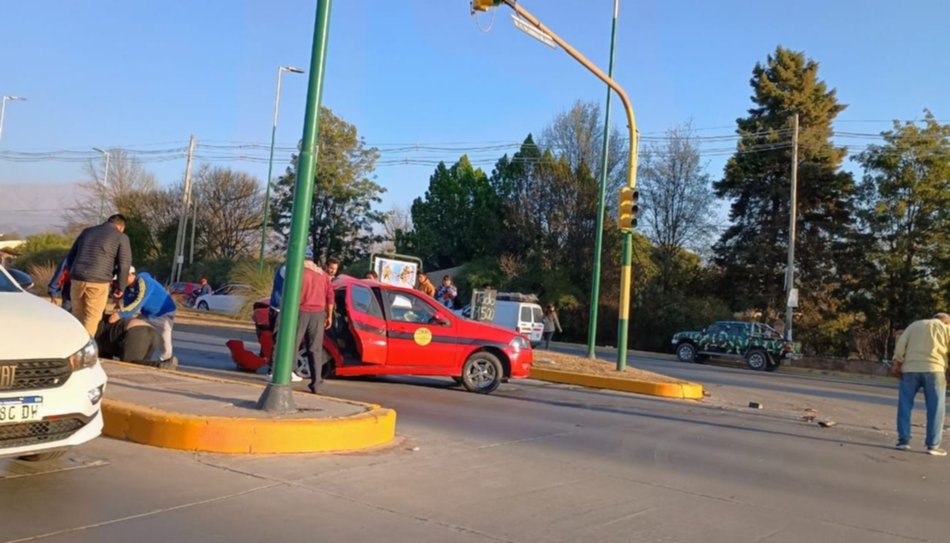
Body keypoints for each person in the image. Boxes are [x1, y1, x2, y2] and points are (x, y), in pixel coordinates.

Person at [271, 248, 334, 394]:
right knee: (315, 348)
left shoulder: (298, 273)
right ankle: (316, 382)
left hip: (301, 311)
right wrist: (329, 315)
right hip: (318, 314)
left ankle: (286, 376)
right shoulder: (323, 275)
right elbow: (330, 296)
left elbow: (290, 293)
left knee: (292, 344)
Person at [64, 214, 132, 335]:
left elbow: (71, 256)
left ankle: (72, 346)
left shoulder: (87, 232)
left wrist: (72, 273)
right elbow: (125, 263)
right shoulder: (121, 237)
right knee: (92, 317)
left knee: (77, 314)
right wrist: (120, 287)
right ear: (121, 227)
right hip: (98, 281)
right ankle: (84, 350)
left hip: (77, 278)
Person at [893, 312, 950, 456]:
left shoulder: (914, 325)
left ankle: (903, 441)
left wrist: (898, 363)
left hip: (910, 369)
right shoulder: (946, 329)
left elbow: (901, 345)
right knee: (936, 408)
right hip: (935, 370)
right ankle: (933, 445)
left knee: (905, 404)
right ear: (946, 322)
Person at [113, 266, 178, 365]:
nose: (119, 281)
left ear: (131, 275)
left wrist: (119, 315)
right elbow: (128, 307)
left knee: (164, 337)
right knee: (131, 326)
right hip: (147, 315)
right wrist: (118, 302)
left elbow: (139, 301)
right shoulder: (128, 289)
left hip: (163, 313)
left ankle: (167, 360)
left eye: (121, 278)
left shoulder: (144, 281)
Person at [95, 316, 173, 369]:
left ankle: (161, 365)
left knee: (129, 363)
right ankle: (163, 364)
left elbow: (104, 359)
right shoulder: (100, 322)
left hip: (137, 331)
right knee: (142, 366)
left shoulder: (95, 330)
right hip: (152, 332)